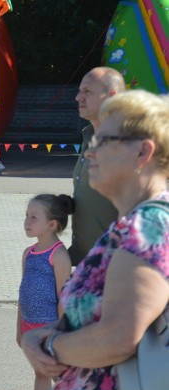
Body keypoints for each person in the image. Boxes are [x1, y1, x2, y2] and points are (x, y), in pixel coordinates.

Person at [21, 90, 169, 390]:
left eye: (103, 141)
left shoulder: (149, 225)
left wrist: (50, 346)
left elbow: (118, 337)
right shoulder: (132, 224)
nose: (89, 153)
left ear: (143, 152)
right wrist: (38, 336)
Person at [16, 194, 73, 390]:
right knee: (40, 374)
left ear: (51, 224)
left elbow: (63, 297)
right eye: (26, 216)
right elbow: (23, 293)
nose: (27, 222)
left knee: (59, 376)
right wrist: (19, 327)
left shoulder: (58, 256)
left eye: (33, 217)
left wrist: (61, 331)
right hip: (30, 326)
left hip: (50, 327)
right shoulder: (28, 254)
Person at [69, 66, 126, 266]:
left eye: (87, 92)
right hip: (87, 264)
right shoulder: (88, 136)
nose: (78, 97)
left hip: (118, 268)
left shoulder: (130, 142)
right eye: (79, 91)